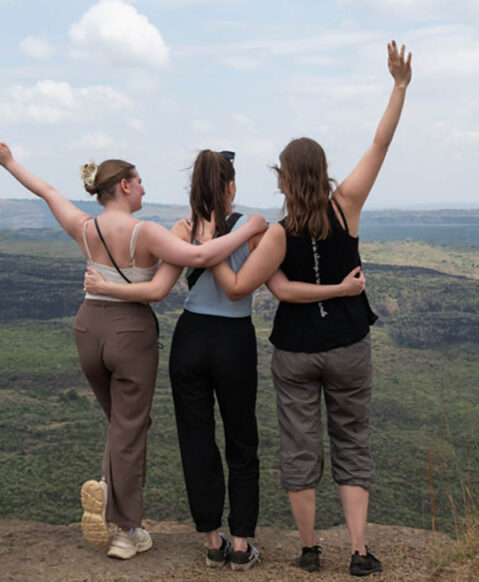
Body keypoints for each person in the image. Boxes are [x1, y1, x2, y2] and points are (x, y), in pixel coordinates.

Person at [0, 137, 268, 560]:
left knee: (121, 424)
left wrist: (8, 162)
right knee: (130, 428)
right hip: (129, 335)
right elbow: (203, 255)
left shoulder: (83, 227)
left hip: (87, 329)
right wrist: (249, 229)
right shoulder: (146, 232)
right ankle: (126, 528)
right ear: (125, 187)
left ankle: (109, 489)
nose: (145, 189)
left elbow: (46, 191)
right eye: (140, 182)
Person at [84, 149, 364, 571]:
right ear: (230, 185)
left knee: (196, 441)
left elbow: (157, 288)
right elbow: (275, 285)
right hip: (233, 339)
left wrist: (107, 289)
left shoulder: (182, 228)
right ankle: (240, 543)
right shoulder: (253, 228)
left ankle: (211, 540)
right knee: (241, 441)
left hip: (190, 339)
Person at [206, 40, 412, 576]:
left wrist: (209, 250)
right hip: (348, 347)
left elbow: (260, 291)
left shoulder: (275, 235)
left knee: (300, 448)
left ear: (283, 177)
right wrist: (399, 86)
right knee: (352, 442)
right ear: (321, 171)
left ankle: (309, 550)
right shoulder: (347, 207)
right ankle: (360, 553)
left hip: (296, 352)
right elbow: (379, 144)